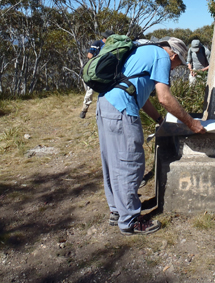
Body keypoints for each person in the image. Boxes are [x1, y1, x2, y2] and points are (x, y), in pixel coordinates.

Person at [96, 37, 206, 235]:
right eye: (176, 64)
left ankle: (117, 211)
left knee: (111, 160)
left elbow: (141, 94)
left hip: (105, 104)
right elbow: (164, 97)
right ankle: (130, 221)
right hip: (121, 110)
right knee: (129, 162)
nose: (173, 69)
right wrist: (192, 123)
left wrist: (159, 120)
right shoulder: (162, 58)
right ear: (173, 54)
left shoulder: (144, 51)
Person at [79, 30, 114, 118]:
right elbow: (89, 55)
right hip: (95, 71)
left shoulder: (111, 46)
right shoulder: (98, 43)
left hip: (106, 71)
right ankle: (84, 110)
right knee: (90, 91)